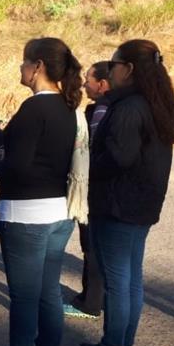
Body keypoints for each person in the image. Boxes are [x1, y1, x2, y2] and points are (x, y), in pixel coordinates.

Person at [69, 40, 174, 346]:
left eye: (113, 64)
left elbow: (118, 157)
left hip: (118, 205)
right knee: (130, 279)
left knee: (117, 281)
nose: (109, 69)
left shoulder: (129, 107)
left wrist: (82, 167)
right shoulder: (156, 104)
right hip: (140, 204)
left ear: (127, 69)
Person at [0, 37, 82, 346]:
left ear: (37, 66)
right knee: (48, 292)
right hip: (58, 213)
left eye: (24, 63)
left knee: (24, 299)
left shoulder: (33, 108)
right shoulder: (68, 108)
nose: (20, 69)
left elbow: (18, 167)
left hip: (26, 215)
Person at [63, 61, 111, 320]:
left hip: (95, 191)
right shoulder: (100, 110)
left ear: (102, 84)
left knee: (92, 245)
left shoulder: (102, 113)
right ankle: (89, 295)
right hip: (96, 190)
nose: (84, 84)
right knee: (90, 244)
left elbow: (91, 153)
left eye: (89, 80)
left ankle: (92, 302)